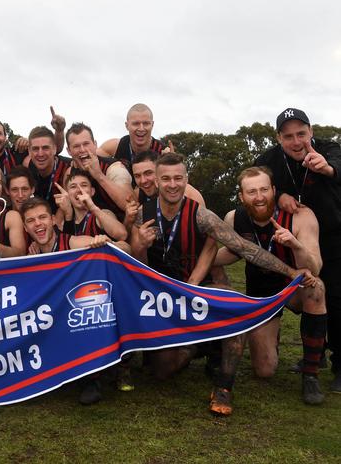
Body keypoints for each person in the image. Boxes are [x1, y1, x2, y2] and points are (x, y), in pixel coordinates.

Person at [129, 153, 316, 415]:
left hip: (197, 291)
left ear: (187, 179)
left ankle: (224, 385)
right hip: (161, 299)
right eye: (166, 179)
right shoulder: (141, 216)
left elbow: (244, 247)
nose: (173, 184)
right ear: (157, 182)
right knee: (162, 371)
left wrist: (290, 270)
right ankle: (200, 345)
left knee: (232, 304)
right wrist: (140, 245)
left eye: (178, 178)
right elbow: (134, 265)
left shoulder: (201, 216)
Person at [214, 166, 326, 404]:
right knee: (264, 370)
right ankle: (270, 338)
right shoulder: (234, 218)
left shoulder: (300, 215)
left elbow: (315, 267)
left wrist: (295, 245)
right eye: (251, 191)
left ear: (274, 190)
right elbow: (232, 252)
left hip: (294, 287)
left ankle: (311, 373)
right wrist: (195, 263)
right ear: (242, 196)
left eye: (264, 189)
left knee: (316, 288)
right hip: (262, 295)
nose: (259, 196)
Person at [254, 108, 341, 392]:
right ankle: (314, 357)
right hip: (294, 237)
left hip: (333, 234)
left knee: (337, 296)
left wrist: (328, 168)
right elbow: (254, 179)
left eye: (301, 134)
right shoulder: (270, 158)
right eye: (288, 136)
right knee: (310, 290)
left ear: (311, 132)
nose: (296, 141)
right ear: (279, 137)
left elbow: (337, 165)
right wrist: (279, 195)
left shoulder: (328, 148)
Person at [64, 122, 133, 218]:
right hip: (86, 228)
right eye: (76, 146)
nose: (82, 149)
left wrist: (99, 176)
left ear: (95, 144)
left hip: (119, 225)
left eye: (86, 144)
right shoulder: (70, 173)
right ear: (69, 151)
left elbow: (130, 205)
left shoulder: (114, 168)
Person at [97, 103, 168, 184]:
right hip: (122, 193)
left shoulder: (163, 152)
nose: (141, 128)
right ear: (127, 126)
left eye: (146, 123)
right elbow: (89, 162)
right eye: (136, 124)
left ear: (152, 125)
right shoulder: (114, 146)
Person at [55, 169, 128, 240]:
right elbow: (67, 249)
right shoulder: (63, 223)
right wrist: (68, 216)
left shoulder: (102, 214)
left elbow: (122, 235)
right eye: (73, 187)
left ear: (92, 191)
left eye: (84, 185)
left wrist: (92, 207)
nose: (79, 190)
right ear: (67, 194)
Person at [25, 126, 71, 214]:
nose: (40, 154)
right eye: (35, 149)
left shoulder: (69, 168)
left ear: (54, 149)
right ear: (29, 151)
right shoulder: (30, 166)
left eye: (45, 148)